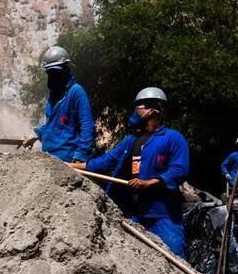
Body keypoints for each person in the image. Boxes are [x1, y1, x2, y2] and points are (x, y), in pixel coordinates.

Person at [67, 87, 190, 258]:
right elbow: (104, 163)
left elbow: (179, 170)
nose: (135, 112)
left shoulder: (173, 139)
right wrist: (69, 165)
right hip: (135, 215)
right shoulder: (131, 141)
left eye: (138, 107)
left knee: (174, 259)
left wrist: (149, 183)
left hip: (164, 216)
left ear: (152, 110)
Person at [22, 46, 95, 163]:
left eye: (56, 72)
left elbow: (87, 126)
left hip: (68, 160)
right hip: (49, 160)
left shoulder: (77, 93)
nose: (53, 76)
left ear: (65, 69)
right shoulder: (53, 94)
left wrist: (81, 155)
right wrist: (37, 133)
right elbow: (54, 125)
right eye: (50, 73)